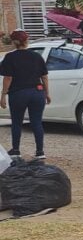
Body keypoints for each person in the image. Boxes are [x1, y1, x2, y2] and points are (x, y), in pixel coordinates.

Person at [0, 29, 49, 160]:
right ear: (27, 41)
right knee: (37, 122)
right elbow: (44, 77)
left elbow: (8, 78)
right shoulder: (37, 56)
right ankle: (40, 151)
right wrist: (47, 93)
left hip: (18, 93)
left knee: (17, 122)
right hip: (37, 92)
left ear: (13, 42)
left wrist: (3, 95)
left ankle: (16, 150)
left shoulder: (10, 57)